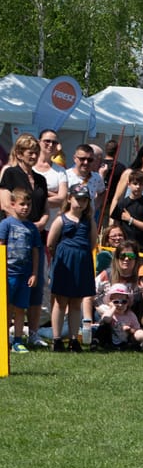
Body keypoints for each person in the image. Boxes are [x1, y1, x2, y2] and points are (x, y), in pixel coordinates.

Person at [1, 133, 50, 347]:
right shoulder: (10, 173)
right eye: (31, 152)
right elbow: (4, 204)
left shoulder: (40, 179)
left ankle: (33, 333)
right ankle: (8, 335)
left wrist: (39, 224)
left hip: (36, 238)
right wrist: (25, 227)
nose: (34, 155)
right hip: (14, 240)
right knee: (10, 293)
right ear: (20, 153)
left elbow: (46, 208)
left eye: (36, 152)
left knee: (36, 287)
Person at [47, 184, 98, 352]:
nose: (81, 203)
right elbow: (51, 243)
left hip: (82, 263)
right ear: (69, 198)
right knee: (60, 301)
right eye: (78, 199)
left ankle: (74, 339)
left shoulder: (88, 221)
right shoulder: (61, 219)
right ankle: (57, 339)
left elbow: (92, 242)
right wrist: (62, 255)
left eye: (85, 200)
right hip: (64, 263)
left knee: (77, 302)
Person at [0, 189, 43, 352]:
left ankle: (18, 340)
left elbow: (35, 250)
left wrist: (34, 273)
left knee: (20, 308)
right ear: (13, 204)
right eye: (22, 204)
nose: (25, 208)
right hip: (8, 273)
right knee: (6, 307)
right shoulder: (6, 224)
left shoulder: (31, 227)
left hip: (25, 274)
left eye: (28, 204)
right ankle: (4, 337)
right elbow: (1, 245)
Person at [111, 170, 143, 252]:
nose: (138, 187)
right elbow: (116, 225)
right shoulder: (121, 204)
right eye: (135, 184)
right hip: (126, 247)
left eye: (141, 184)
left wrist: (130, 219)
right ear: (129, 184)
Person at [95, 283, 140, 351]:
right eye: (116, 302)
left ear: (127, 303)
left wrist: (130, 330)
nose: (120, 304)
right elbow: (106, 320)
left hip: (124, 340)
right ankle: (97, 342)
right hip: (109, 339)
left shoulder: (130, 315)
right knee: (103, 325)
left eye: (124, 302)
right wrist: (113, 308)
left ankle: (134, 346)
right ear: (110, 302)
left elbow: (137, 329)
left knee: (133, 341)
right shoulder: (109, 312)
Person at [66, 144, 105, 220]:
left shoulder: (97, 178)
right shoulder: (65, 176)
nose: (86, 162)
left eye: (90, 160)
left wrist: (95, 206)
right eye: (82, 159)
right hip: (67, 221)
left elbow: (102, 192)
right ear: (74, 158)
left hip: (87, 221)